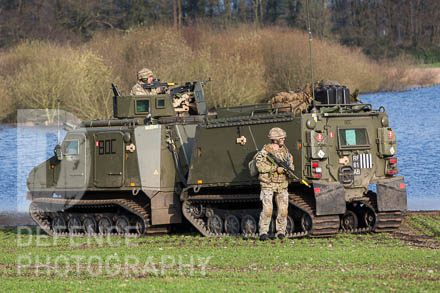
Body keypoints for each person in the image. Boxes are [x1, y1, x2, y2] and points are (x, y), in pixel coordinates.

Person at [255, 127, 294, 241]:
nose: (283, 139)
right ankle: (263, 232)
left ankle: (281, 231)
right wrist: (275, 169)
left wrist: (288, 169)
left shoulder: (285, 152)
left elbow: (291, 165)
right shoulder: (264, 152)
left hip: (282, 184)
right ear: (274, 139)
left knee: (283, 210)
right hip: (268, 184)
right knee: (268, 210)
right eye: (281, 138)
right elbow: (259, 166)